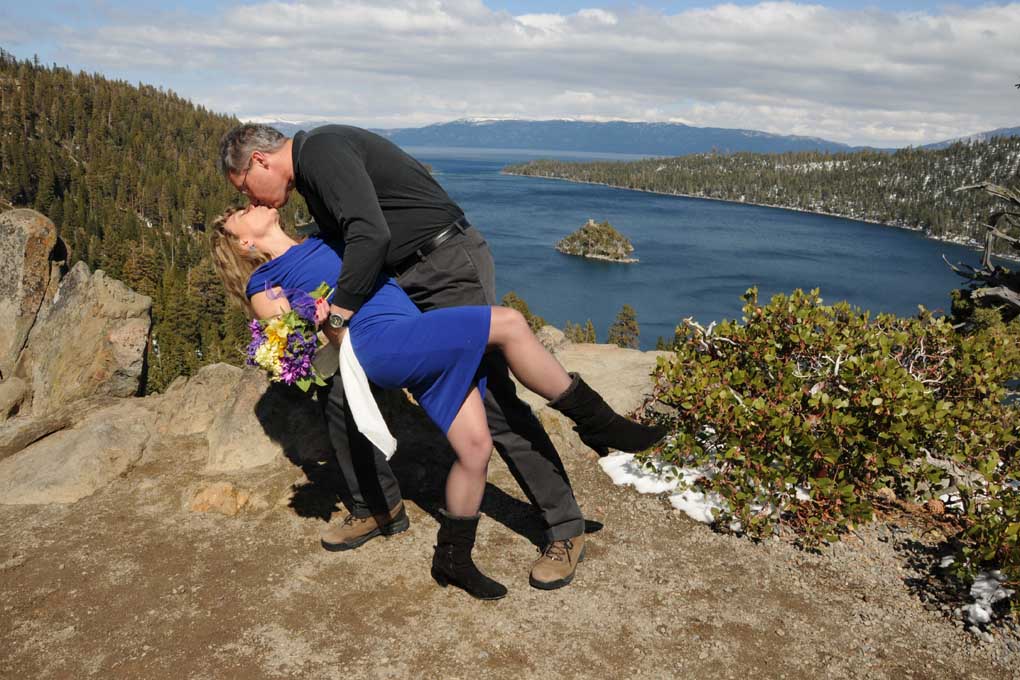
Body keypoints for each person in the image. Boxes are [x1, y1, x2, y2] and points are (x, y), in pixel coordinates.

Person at [217, 123, 605, 590]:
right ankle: (379, 507)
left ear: (258, 162)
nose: (253, 201)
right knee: (340, 398)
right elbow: (306, 313)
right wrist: (315, 329)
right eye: (244, 203)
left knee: (494, 403)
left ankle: (564, 527)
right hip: (399, 299)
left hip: (439, 271)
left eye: (243, 190)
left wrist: (333, 315)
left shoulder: (320, 160)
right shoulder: (301, 228)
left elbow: (369, 233)